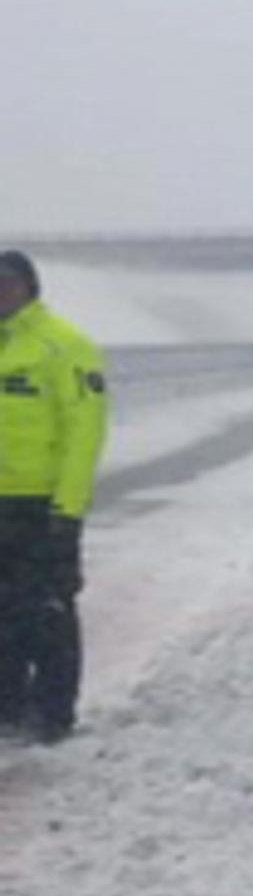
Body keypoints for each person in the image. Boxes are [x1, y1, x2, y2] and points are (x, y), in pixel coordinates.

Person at [0, 252, 107, 744]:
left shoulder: (64, 346)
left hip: (42, 505)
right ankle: (7, 709)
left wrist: (67, 510)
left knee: (49, 610)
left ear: (29, 287)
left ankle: (53, 716)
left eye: (8, 283)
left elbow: (83, 435)